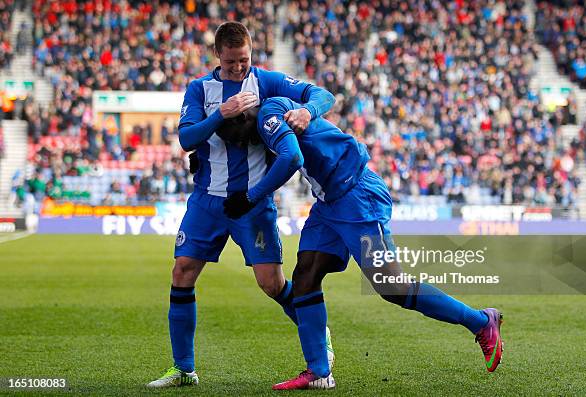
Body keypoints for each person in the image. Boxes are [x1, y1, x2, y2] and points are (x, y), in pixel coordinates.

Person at [221, 97, 504, 390]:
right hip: (329, 202)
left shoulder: (268, 113)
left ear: (243, 118)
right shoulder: (268, 119)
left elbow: (294, 155)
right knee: (305, 275)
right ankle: (318, 370)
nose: (244, 144)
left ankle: (481, 321)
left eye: (240, 139)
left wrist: (252, 196)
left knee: (391, 286)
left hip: (357, 195)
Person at [147, 22, 336, 388]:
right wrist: (221, 113)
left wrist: (308, 110)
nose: (238, 68)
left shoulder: (266, 81)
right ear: (218, 55)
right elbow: (186, 138)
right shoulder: (200, 89)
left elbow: (323, 93)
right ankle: (184, 369)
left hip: (252, 202)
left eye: (244, 60)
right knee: (182, 271)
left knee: (271, 283)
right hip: (207, 200)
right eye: (232, 61)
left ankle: (317, 331)